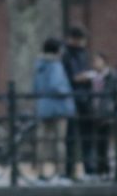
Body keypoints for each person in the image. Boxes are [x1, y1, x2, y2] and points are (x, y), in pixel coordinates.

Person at [32, 38, 75, 181]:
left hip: (43, 106)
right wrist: (68, 91)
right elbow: (56, 85)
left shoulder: (39, 65)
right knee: (59, 141)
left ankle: (40, 172)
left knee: (42, 141)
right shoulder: (56, 65)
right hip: (58, 107)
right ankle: (60, 172)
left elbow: (36, 87)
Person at [61, 26, 94, 180]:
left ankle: (89, 168)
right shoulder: (67, 55)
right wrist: (86, 77)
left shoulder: (82, 54)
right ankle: (71, 170)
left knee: (86, 135)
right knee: (72, 137)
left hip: (84, 98)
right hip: (74, 98)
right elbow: (72, 77)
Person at [89, 52, 117, 179]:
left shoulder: (110, 75)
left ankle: (105, 170)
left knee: (105, 143)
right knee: (98, 143)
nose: (95, 63)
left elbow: (111, 92)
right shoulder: (93, 76)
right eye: (94, 61)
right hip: (95, 111)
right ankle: (100, 169)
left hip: (106, 112)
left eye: (98, 61)